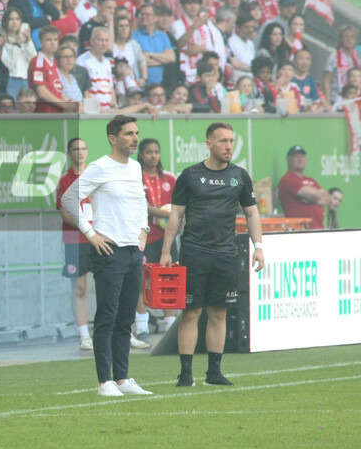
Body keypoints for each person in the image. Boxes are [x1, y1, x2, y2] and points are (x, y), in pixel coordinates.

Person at [160, 122, 264, 387]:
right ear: (209, 144)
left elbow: (251, 213)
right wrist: (166, 250)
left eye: (231, 141)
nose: (229, 146)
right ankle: (185, 373)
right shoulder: (190, 175)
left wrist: (259, 247)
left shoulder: (240, 176)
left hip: (226, 254)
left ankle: (214, 373)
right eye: (223, 141)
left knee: (218, 313)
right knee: (191, 312)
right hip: (194, 253)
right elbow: (176, 215)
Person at [61, 115, 153, 397]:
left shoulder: (136, 167)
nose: (135, 138)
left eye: (136, 133)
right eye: (128, 134)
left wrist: (144, 230)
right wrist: (91, 234)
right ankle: (105, 381)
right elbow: (68, 199)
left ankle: (123, 378)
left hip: (133, 251)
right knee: (107, 316)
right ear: (113, 138)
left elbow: (140, 202)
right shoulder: (100, 168)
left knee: (126, 318)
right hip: (109, 251)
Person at [133, 138, 177, 343]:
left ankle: (170, 327)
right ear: (141, 154)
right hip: (143, 237)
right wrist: (164, 213)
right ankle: (141, 326)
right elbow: (141, 206)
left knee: (169, 280)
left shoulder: (169, 178)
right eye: (149, 152)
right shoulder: (134, 177)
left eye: (156, 152)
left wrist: (177, 220)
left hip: (166, 238)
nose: (153, 156)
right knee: (141, 282)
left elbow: (179, 207)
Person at [56, 138, 92, 351]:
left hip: (99, 238)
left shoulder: (96, 175)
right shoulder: (65, 180)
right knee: (79, 287)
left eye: (83, 148)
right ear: (69, 152)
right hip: (75, 239)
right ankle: (84, 335)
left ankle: (122, 331)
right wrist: (88, 227)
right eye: (76, 149)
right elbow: (66, 214)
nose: (80, 152)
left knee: (109, 284)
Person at [278, 145, 330, 230]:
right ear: (288, 160)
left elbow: (327, 198)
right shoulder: (287, 179)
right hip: (300, 230)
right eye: (296, 156)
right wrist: (316, 196)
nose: (300, 159)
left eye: (302, 156)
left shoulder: (310, 180)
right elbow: (313, 195)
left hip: (318, 228)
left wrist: (312, 197)